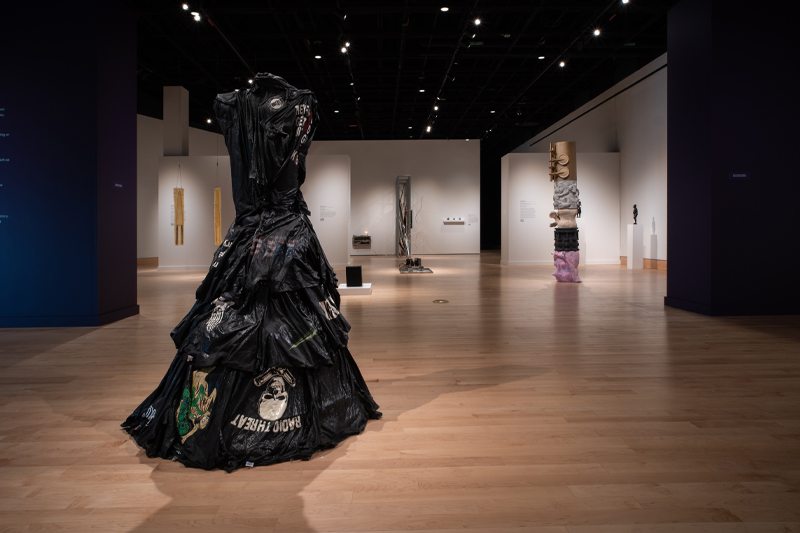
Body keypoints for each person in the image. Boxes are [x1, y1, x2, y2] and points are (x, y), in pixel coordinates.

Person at [122, 73, 380, 471]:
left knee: (290, 315)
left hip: (283, 233)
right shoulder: (232, 103)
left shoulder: (301, 102)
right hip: (261, 231)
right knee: (239, 315)